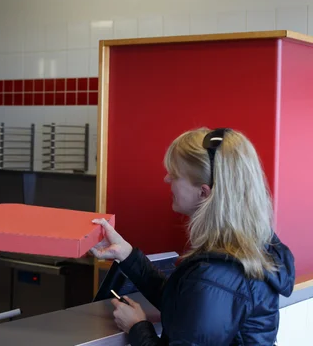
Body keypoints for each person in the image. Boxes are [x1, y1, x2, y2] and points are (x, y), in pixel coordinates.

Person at [91, 127, 295, 345]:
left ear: (204, 193)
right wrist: (127, 254)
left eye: (176, 175)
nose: (167, 179)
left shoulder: (216, 273)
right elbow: (188, 306)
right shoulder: (248, 247)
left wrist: (137, 328)